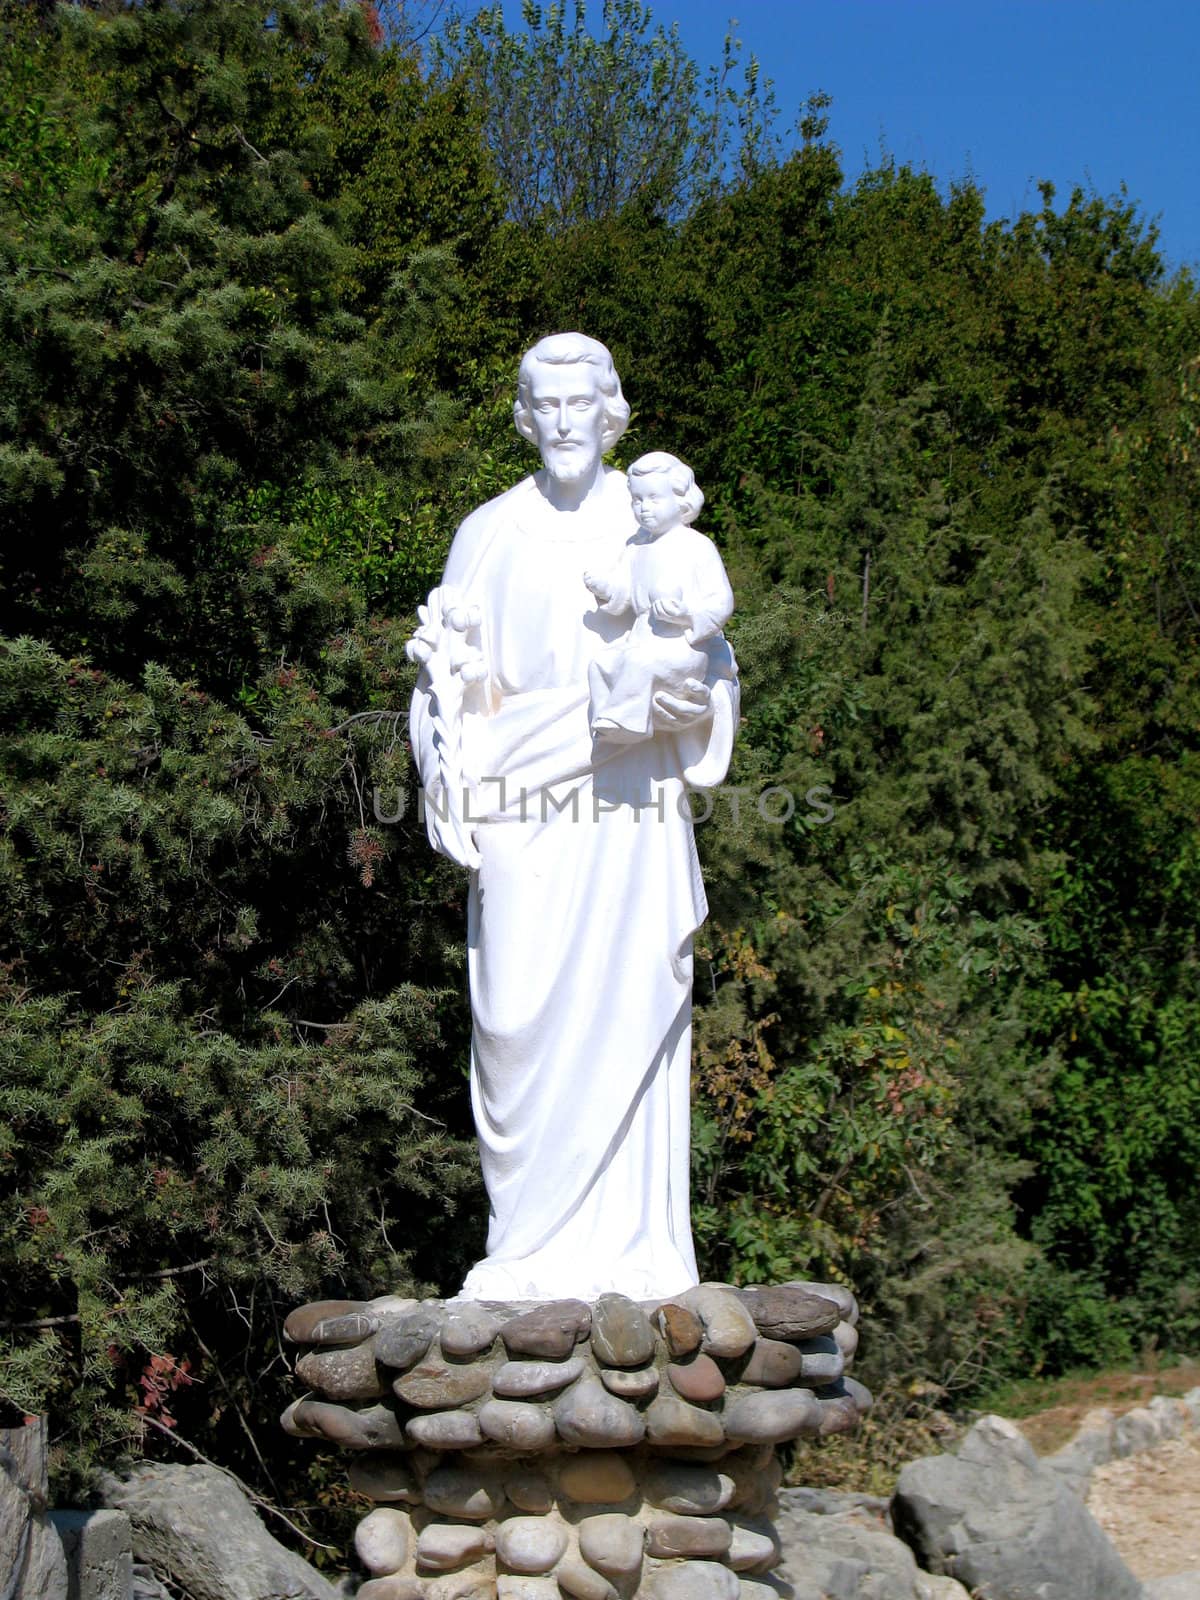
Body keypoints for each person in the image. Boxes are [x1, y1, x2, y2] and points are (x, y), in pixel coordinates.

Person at [408, 333, 739, 1301]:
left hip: (628, 823)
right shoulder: (487, 534)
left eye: (578, 405)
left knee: (631, 1003)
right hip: (523, 819)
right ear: (523, 416)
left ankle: (634, 1255)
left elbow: (712, 665)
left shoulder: (654, 534)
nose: (561, 423)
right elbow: (441, 688)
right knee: (512, 1024)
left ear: (610, 414)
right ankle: (524, 1249)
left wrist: (682, 697)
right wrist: (446, 773)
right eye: (543, 406)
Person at [586, 451, 734, 745]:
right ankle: (606, 721)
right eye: (637, 501)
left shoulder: (696, 546)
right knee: (600, 665)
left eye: (654, 499)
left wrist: (686, 615)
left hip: (680, 646)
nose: (644, 508)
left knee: (641, 663)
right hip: (643, 638)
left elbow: (721, 601)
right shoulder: (636, 547)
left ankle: (627, 722)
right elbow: (626, 594)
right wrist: (606, 589)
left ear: (680, 500)